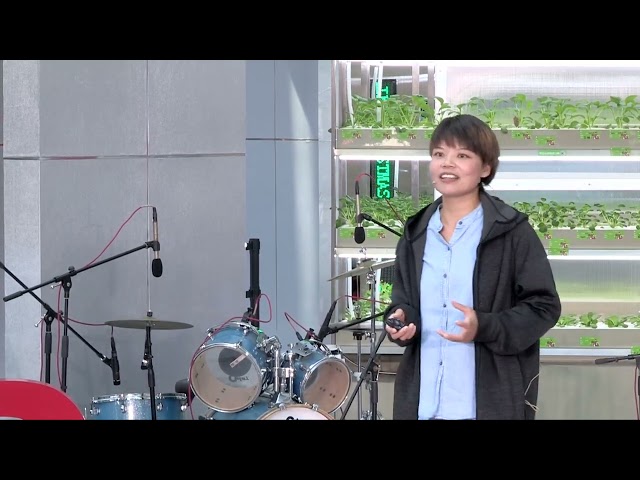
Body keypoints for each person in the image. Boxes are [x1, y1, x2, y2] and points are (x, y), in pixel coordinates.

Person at [384, 114, 561, 420]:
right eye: (439, 154)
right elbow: (404, 302)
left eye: (462, 155)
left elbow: (544, 307)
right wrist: (402, 320)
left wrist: (484, 326)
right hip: (423, 405)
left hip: (486, 405)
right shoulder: (415, 233)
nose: (447, 164)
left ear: (486, 168)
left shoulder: (511, 231)